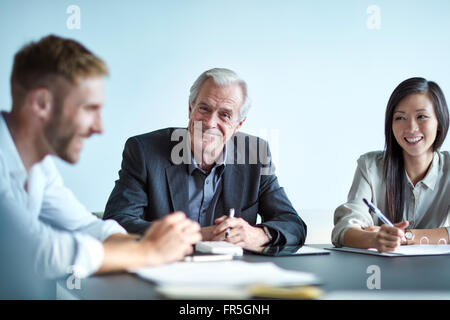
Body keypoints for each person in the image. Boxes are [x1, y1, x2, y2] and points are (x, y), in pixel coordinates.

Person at [0, 35, 201, 290]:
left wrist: (149, 245)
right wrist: (148, 252)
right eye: (89, 109)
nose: (100, 128)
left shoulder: (39, 168)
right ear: (41, 103)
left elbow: (87, 226)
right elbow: (39, 252)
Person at [104, 68, 307, 248]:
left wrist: (257, 235)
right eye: (204, 108)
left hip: (234, 276)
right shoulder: (144, 151)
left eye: (225, 115)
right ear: (190, 109)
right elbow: (117, 222)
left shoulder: (255, 153)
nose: (210, 122)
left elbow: (293, 224)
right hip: (166, 269)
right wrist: (200, 235)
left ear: (239, 124)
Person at [332, 77, 450, 252]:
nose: (411, 128)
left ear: (439, 122)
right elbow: (343, 230)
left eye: (422, 116)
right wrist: (374, 238)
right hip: (378, 272)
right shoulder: (370, 165)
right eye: (400, 118)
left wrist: (407, 236)